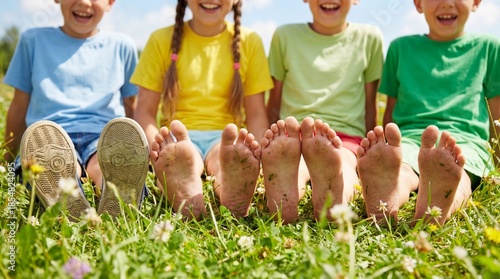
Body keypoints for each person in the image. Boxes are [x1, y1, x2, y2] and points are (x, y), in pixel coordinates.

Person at [357, 0, 500, 226]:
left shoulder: (489, 48)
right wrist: (387, 147)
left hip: (468, 143)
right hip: (410, 139)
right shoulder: (400, 48)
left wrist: (497, 158)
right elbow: (390, 115)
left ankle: (438, 208)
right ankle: (388, 199)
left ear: (476, 2)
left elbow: (497, 116)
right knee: (402, 170)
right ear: (418, 4)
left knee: (458, 173)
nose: (446, 3)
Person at [3, 0, 149, 221]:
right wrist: (8, 156)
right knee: (46, 159)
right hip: (45, 137)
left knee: (106, 162)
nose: (84, 2)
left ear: (110, 3)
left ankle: (115, 192)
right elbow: (18, 106)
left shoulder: (122, 46)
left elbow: (132, 105)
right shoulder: (32, 41)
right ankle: (67, 187)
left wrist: (137, 148)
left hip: (103, 135)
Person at [131, 0, 273, 220]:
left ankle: (231, 188)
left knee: (223, 158)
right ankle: (182, 182)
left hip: (226, 137)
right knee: (181, 157)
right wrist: (157, 152)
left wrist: (258, 154)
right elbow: (144, 113)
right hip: (178, 138)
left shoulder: (249, 42)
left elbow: (256, 115)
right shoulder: (161, 40)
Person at [261, 0, 384, 224]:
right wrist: (271, 141)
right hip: (293, 138)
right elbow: (274, 99)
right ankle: (284, 198)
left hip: (345, 137)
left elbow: (370, 103)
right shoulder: (285, 36)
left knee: (344, 162)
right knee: (293, 166)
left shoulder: (369, 38)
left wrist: (370, 147)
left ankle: (336, 200)